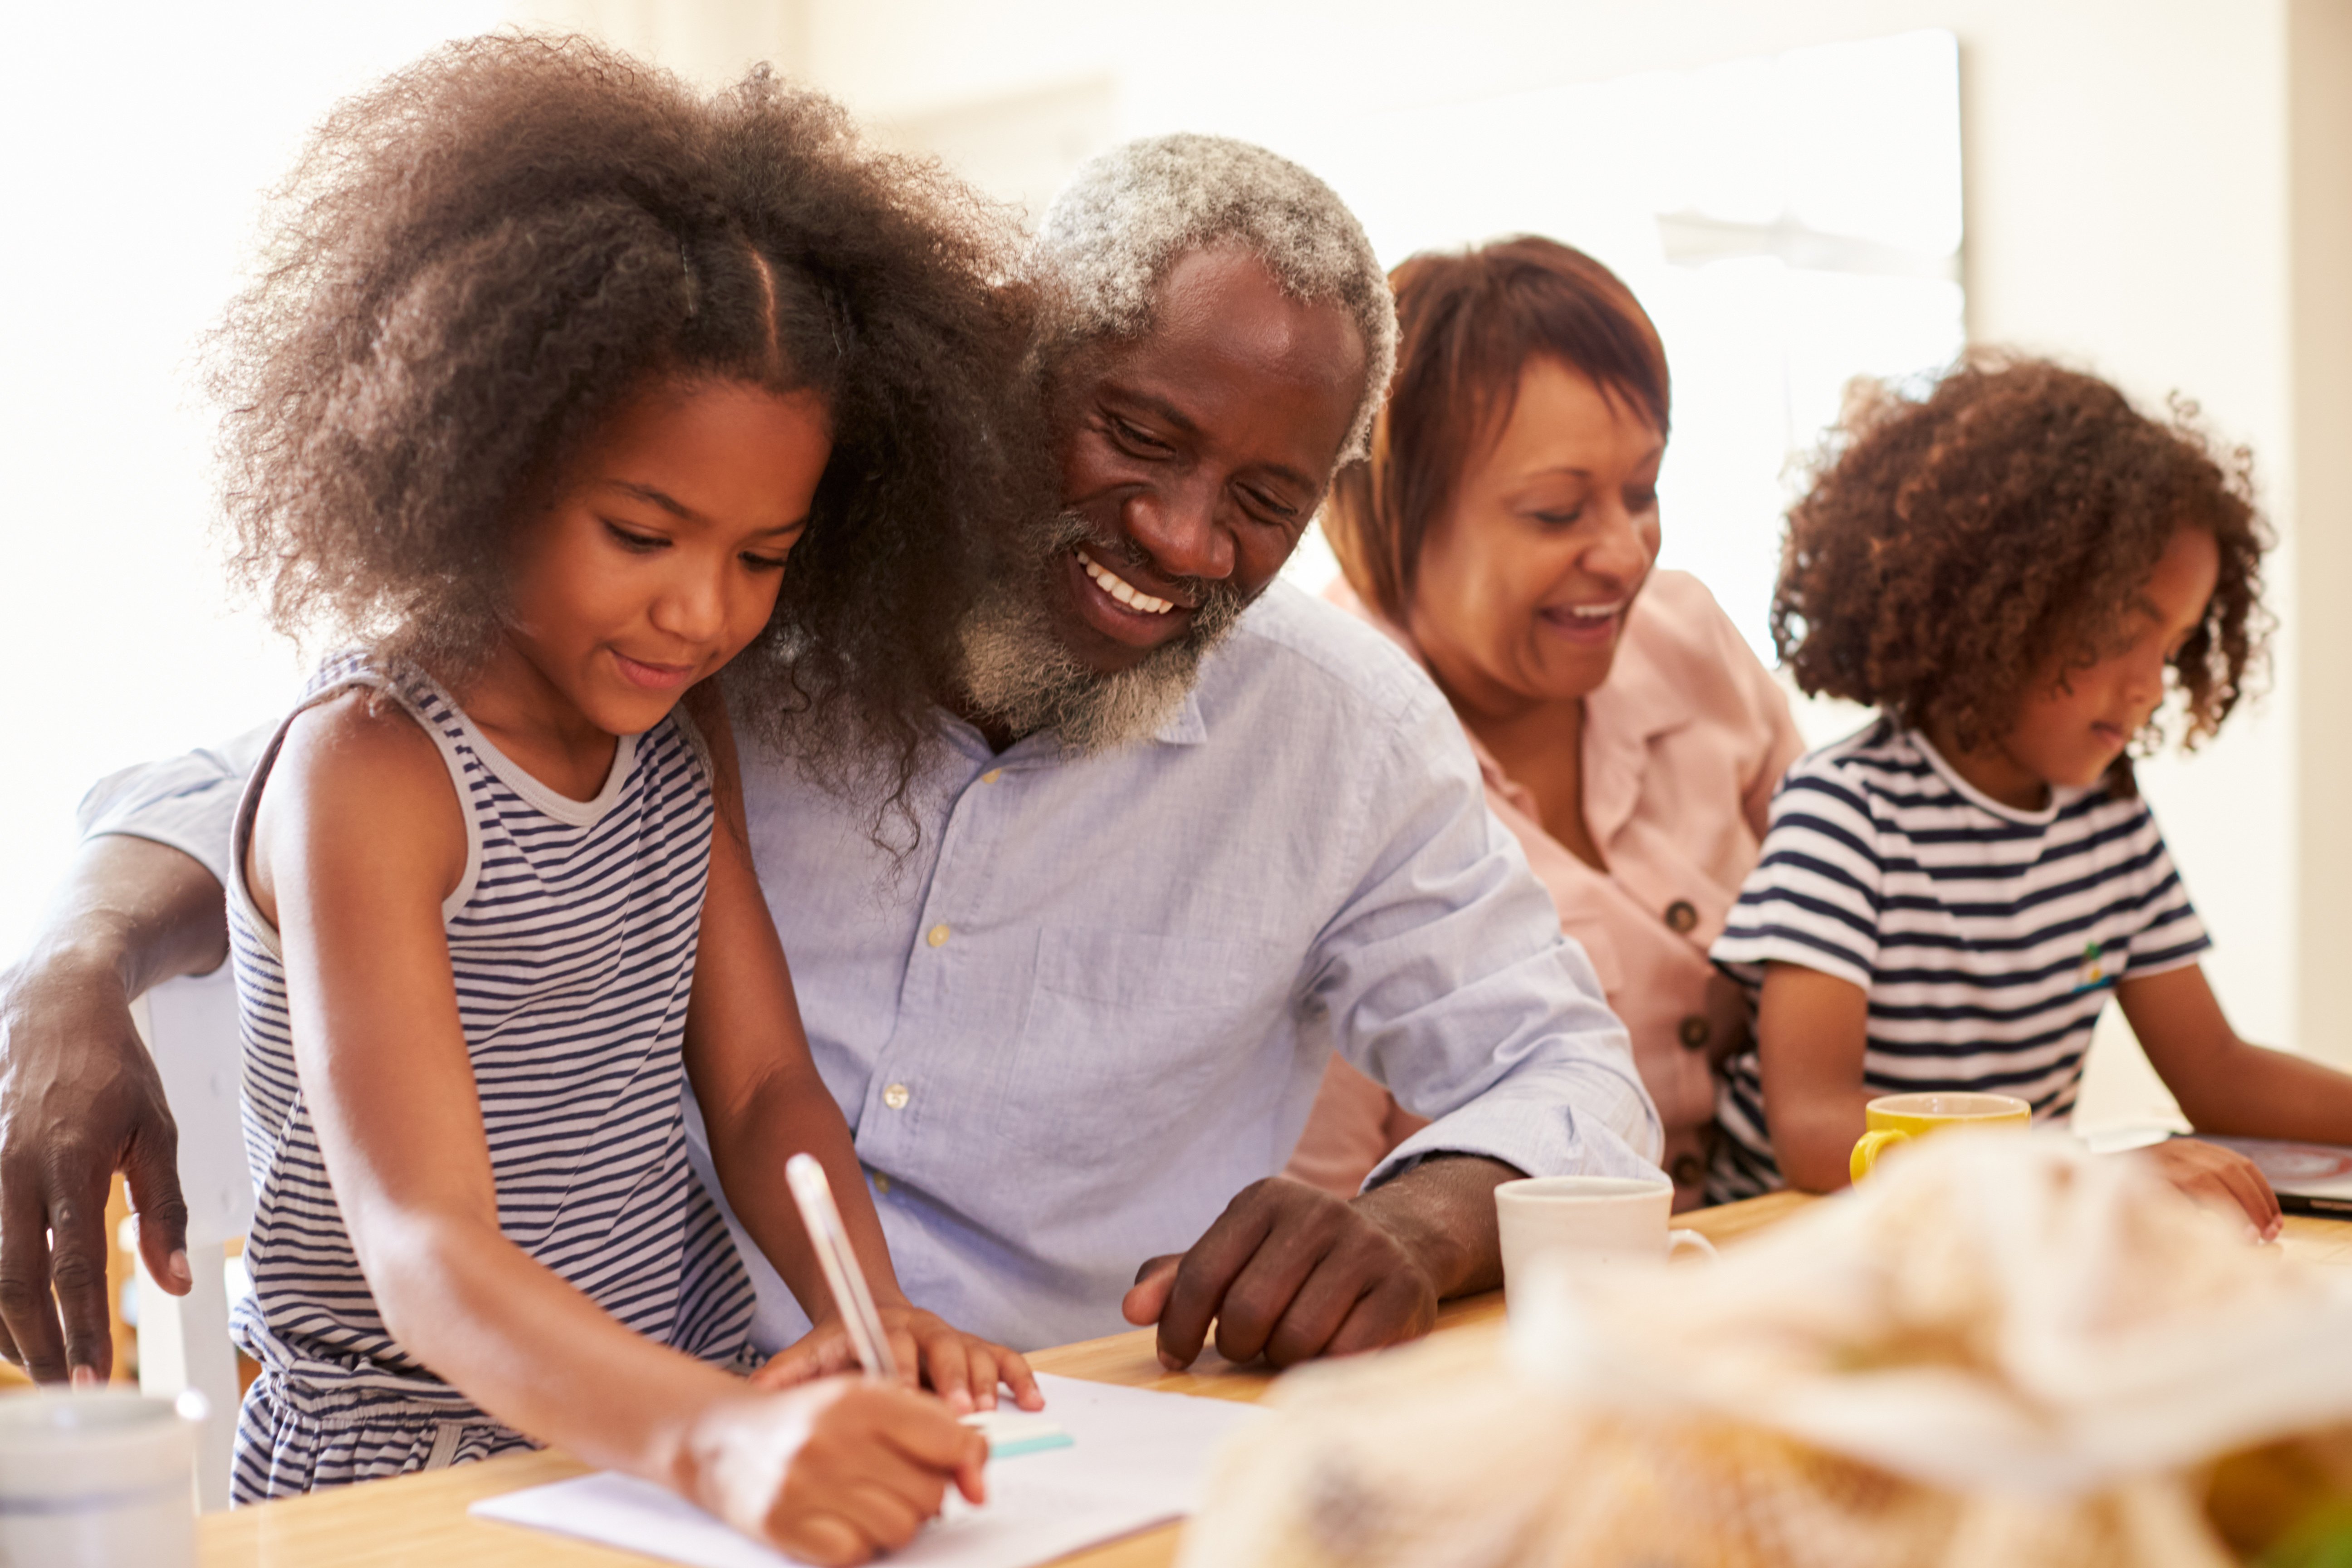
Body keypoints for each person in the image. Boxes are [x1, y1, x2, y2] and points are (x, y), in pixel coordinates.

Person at [0, 132, 1663, 1389]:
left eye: (1263, 499)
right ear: (1002, 349)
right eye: (1138, 434)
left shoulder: (1339, 729)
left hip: (1031, 1435)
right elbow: (292, 768)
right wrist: (66, 966)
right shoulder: (727, 601)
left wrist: (1409, 1215)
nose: (1179, 534)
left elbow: (1573, 1081)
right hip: (624, 1418)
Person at [169, 38, 1039, 1559]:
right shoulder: (371, 767)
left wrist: (871, 1308)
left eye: (762, 556)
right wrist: (714, 1436)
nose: (703, 612)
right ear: (486, 455)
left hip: (671, 1441)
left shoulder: (670, 733)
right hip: (414, 1470)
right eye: (644, 531)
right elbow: (423, 1248)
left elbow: (763, 1083)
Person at [1710, 355, 2348, 1231]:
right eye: (2123, 630)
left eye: (2172, 648)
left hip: (1989, 1236)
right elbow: (1816, 1128)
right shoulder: (1845, 812)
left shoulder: (2109, 819)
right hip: (1798, 1240)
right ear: (1993, 605)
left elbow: (2216, 1070)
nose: (2149, 684)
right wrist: (2080, 1168)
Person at [1283, 237, 1803, 1212]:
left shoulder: (1688, 641)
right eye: (1558, 512)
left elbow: (1853, 928)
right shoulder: (1320, 754)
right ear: (1395, 516)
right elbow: (1318, 1217)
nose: (1625, 552)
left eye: (1642, 492)